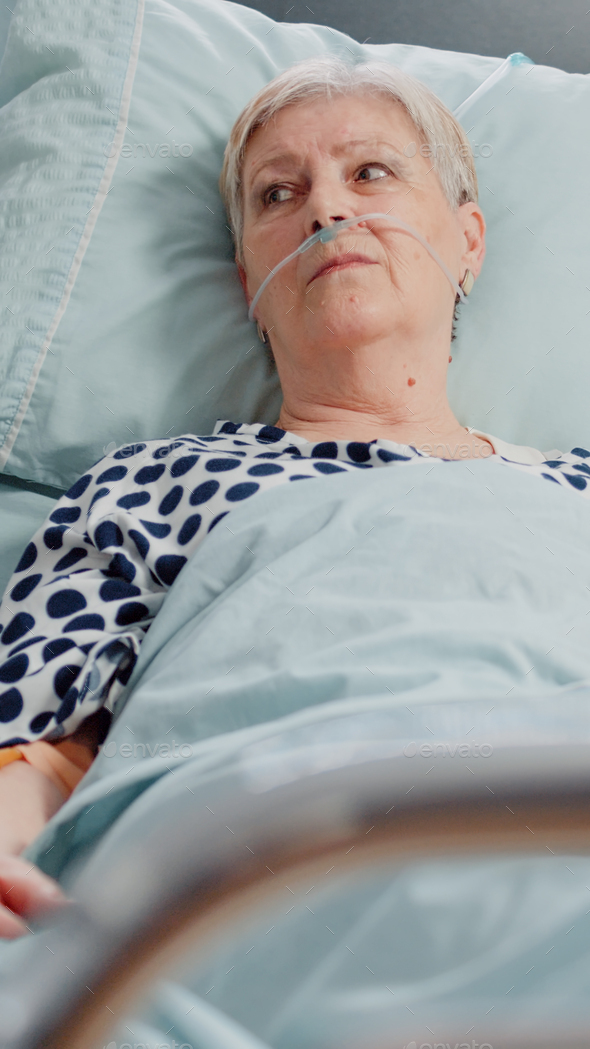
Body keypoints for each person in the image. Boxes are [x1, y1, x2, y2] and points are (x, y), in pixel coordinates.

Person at [0, 55, 587, 937]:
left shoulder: (574, 488)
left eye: (371, 172)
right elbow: (40, 740)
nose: (327, 208)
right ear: (249, 289)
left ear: (468, 240)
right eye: (278, 194)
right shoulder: (150, 486)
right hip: (229, 900)